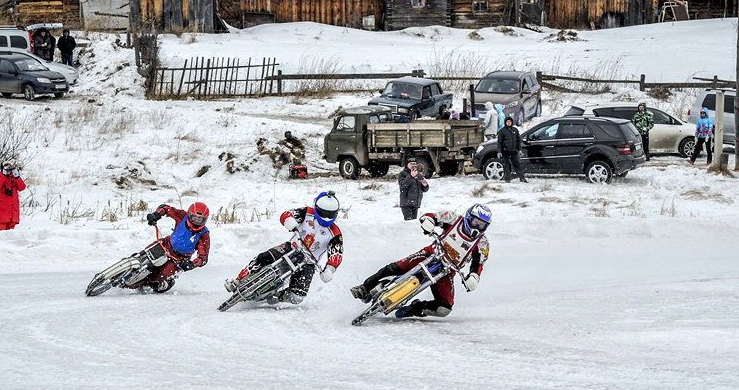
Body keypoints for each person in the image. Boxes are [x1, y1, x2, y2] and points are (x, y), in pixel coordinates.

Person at [350, 204, 491, 319]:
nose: (476, 227)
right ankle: (365, 288)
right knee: (396, 267)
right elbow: (431, 217)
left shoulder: (482, 243)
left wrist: (473, 277)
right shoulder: (453, 219)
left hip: (447, 270)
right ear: (468, 217)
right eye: (475, 222)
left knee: (444, 308)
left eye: (481, 225)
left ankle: (416, 308)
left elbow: (478, 265)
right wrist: (428, 222)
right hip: (431, 253)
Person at [224, 192, 343, 305]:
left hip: (309, 262)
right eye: (323, 213)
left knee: (298, 296)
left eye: (330, 214)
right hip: (291, 247)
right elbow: (287, 214)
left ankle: (279, 296)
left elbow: (336, 254)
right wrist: (288, 220)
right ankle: (237, 281)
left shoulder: (335, 233)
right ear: (317, 208)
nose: (326, 217)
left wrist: (329, 269)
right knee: (263, 258)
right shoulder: (306, 212)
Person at [143, 202, 211, 293]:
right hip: (166, 244)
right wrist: (156, 214)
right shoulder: (182, 216)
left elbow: (203, 258)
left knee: (155, 280)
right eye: (195, 219)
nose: (197, 222)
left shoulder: (204, 235)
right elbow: (166, 208)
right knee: (142, 255)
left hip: (179, 259)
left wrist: (191, 264)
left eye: (200, 220)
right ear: (189, 215)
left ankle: (165, 283)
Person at [0, 160, 25, 230]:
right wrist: (3, 176)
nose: (8, 170)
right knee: (2, 229)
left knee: (11, 231)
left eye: (10, 168)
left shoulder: (14, 178)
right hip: (2, 208)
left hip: (13, 208)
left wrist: (17, 177)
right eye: (6, 168)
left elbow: (22, 187)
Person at [497, 116, 526, 183]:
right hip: (505, 151)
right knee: (506, 166)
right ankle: (507, 179)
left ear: (512, 122)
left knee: (517, 165)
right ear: (505, 122)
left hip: (514, 151)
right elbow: (499, 142)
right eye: (507, 122)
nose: (509, 123)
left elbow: (518, 140)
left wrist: (519, 149)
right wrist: (499, 151)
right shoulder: (502, 131)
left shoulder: (515, 130)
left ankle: (522, 178)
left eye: (510, 122)